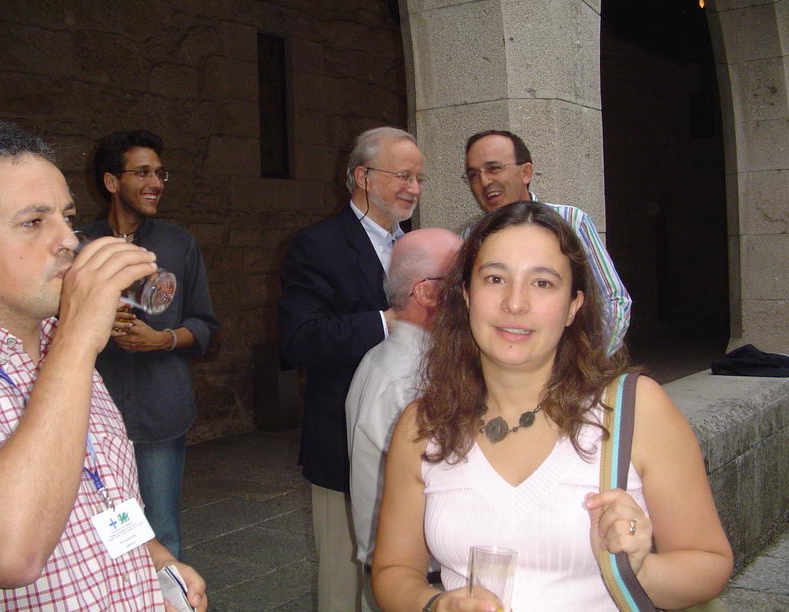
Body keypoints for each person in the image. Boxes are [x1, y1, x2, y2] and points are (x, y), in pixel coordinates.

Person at [372, 201, 732, 611]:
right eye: (495, 278)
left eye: (542, 283)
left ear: (573, 306)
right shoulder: (424, 424)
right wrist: (436, 605)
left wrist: (639, 569)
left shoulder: (635, 409)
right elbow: (393, 570)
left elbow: (709, 564)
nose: (515, 303)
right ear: (467, 295)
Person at [0, 119, 207, 609]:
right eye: (34, 222)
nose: (68, 239)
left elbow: (106, 492)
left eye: (67, 217)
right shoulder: (70, 346)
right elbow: (8, 558)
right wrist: (79, 337)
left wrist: (155, 559)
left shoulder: (54, 341)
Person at [278, 126, 424, 611]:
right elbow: (300, 340)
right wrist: (387, 321)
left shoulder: (416, 245)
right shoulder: (316, 245)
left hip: (415, 439)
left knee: (403, 568)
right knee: (344, 578)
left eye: (418, 178)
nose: (414, 188)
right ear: (363, 176)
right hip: (342, 439)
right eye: (403, 176)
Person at [80, 129, 218, 559]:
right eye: (142, 173)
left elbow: (205, 324)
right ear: (111, 181)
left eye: (160, 174)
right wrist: (96, 320)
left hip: (160, 412)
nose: (155, 183)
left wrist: (163, 339)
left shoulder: (179, 244)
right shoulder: (80, 246)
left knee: (162, 532)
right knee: (107, 538)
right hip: (93, 416)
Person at [346, 228, 461, 611]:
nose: (475, 290)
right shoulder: (412, 382)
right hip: (421, 587)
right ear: (427, 293)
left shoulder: (382, 359)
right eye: (463, 276)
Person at [463, 130, 631, 353]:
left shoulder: (571, 221)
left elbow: (614, 300)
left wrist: (589, 362)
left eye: (494, 168)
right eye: (473, 175)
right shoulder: (469, 237)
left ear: (526, 172)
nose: (484, 181)